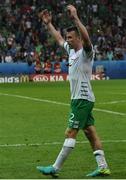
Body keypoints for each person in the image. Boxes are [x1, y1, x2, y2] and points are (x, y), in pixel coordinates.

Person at [37, 5, 111, 178]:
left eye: (70, 37)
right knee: (90, 132)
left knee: (70, 132)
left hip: (82, 99)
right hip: (80, 98)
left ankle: (55, 168)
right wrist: (49, 24)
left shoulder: (86, 52)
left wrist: (76, 18)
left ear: (78, 38)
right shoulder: (70, 50)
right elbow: (58, 39)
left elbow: (86, 37)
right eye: (67, 37)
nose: (67, 40)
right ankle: (103, 167)